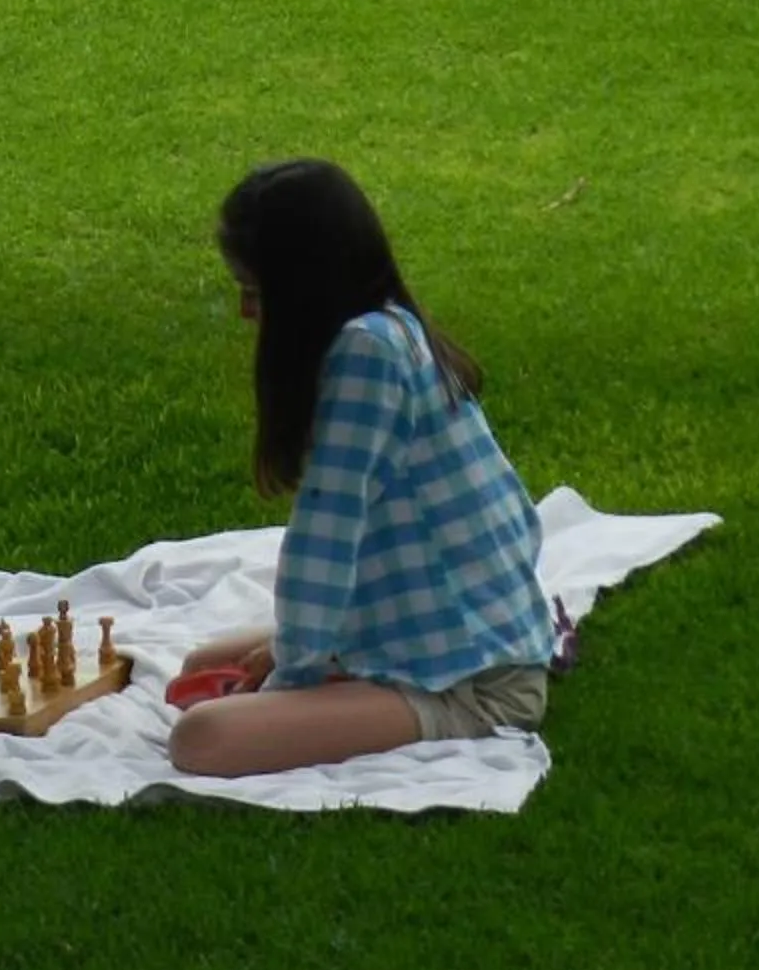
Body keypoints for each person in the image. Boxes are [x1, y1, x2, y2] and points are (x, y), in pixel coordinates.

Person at [167, 160, 555, 780]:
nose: (246, 313)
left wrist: (292, 681)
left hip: (474, 681)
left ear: (301, 287)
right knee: (200, 663)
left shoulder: (366, 355)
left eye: (256, 292)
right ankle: (338, 665)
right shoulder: (392, 331)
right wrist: (305, 657)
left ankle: (375, 689)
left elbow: (325, 537)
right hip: (429, 634)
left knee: (202, 738)